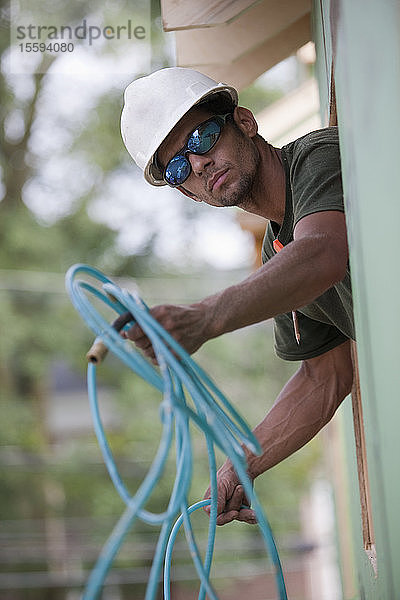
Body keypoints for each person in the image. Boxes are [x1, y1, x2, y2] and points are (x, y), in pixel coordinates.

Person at [120, 67, 354, 526]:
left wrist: (206, 317)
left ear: (244, 122)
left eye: (203, 137)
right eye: (178, 167)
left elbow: (323, 252)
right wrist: (239, 465)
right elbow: (323, 378)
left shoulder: (320, 156)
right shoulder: (277, 256)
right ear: (186, 191)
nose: (200, 163)